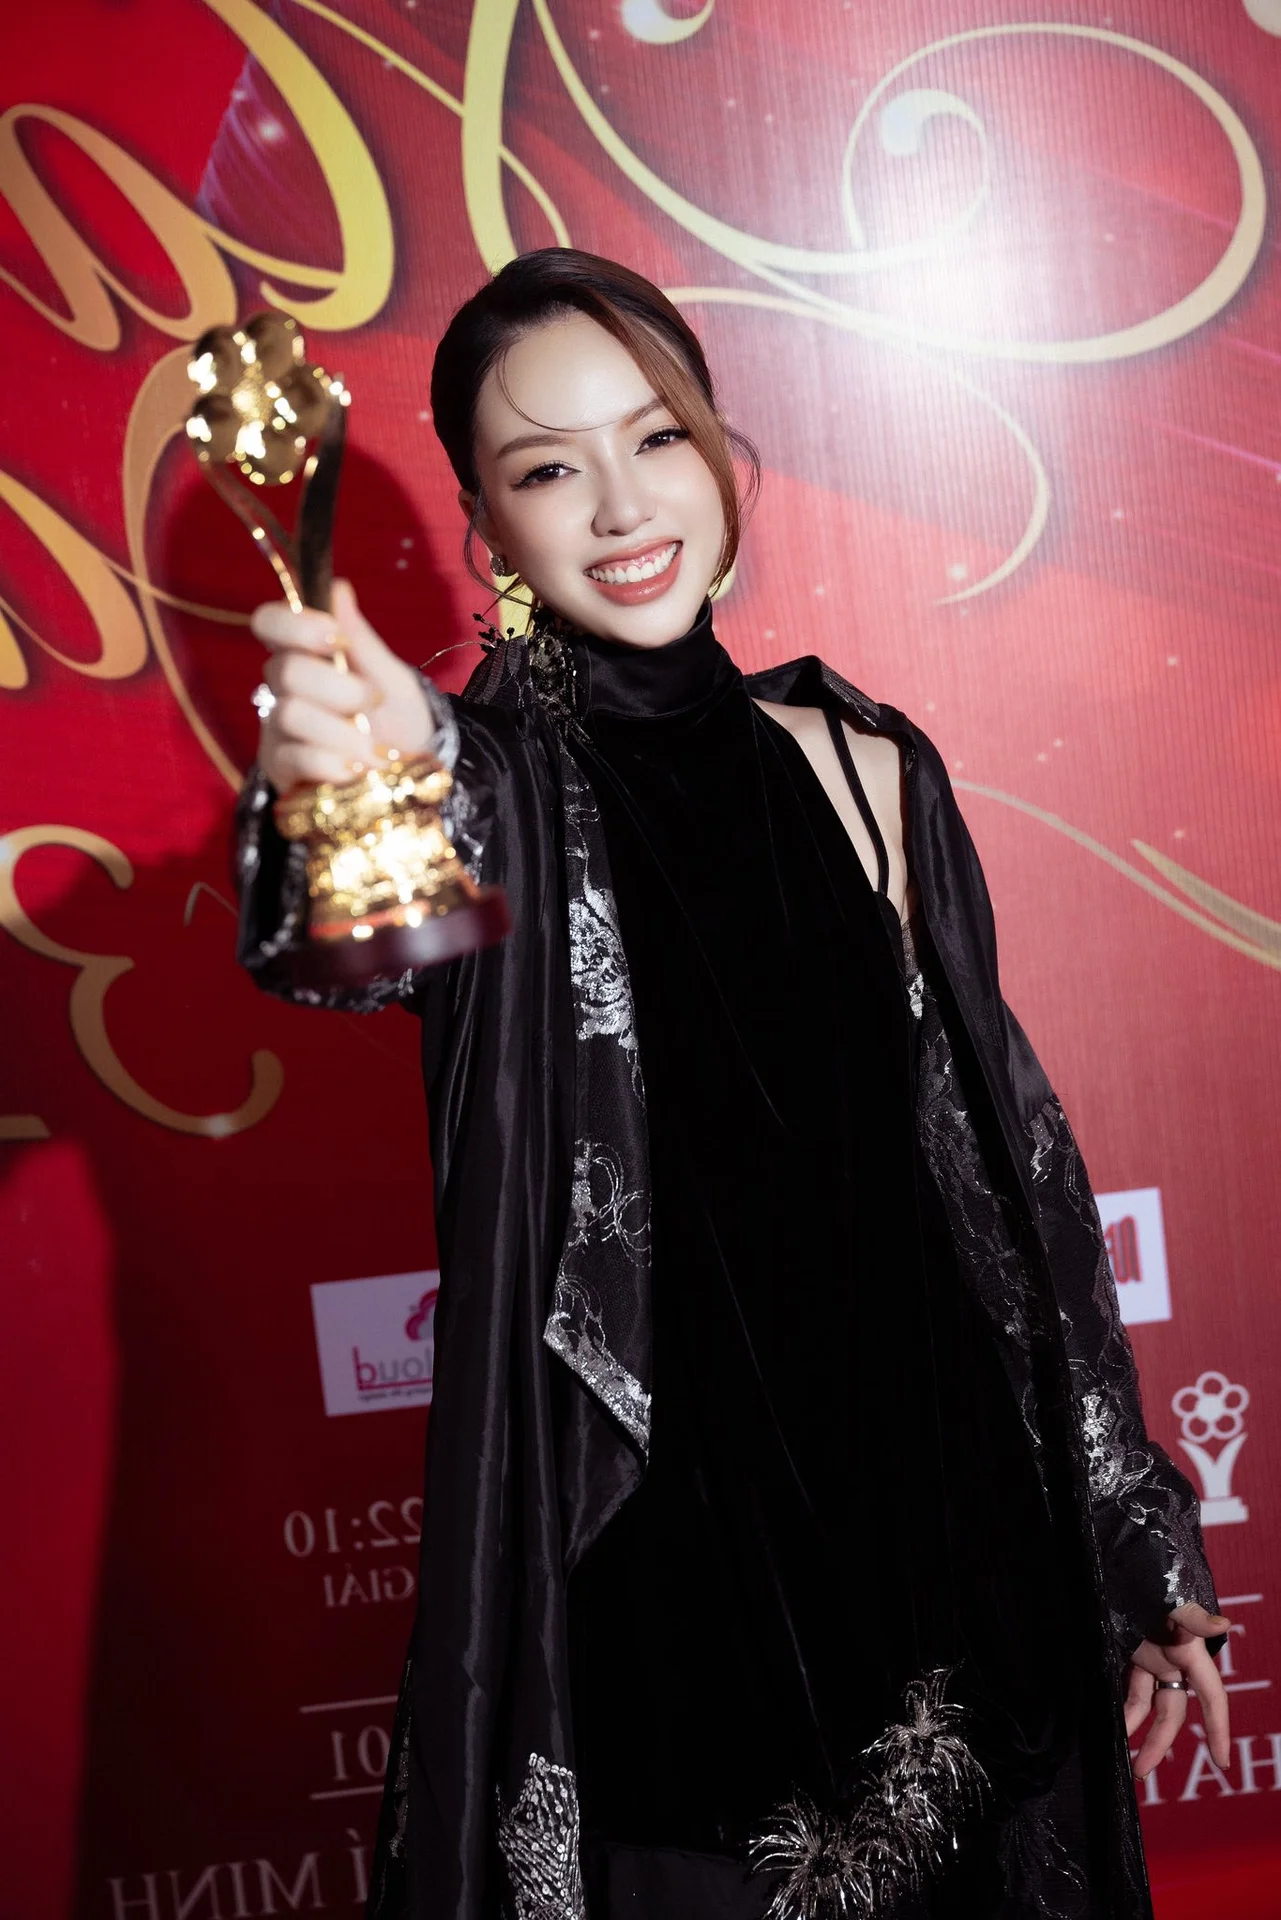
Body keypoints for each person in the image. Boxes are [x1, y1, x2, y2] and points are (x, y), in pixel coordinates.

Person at [237, 249, 1228, 1920]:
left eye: (656, 439)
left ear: (717, 450)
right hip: (681, 1650)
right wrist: (357, 773)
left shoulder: (869, 764)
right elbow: (349, 930)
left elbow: (1013, 1205)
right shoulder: (503, 795)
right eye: (550, 468)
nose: (625, 505)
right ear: (487, 525)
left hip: (961, 1584)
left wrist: (1133, 1539)